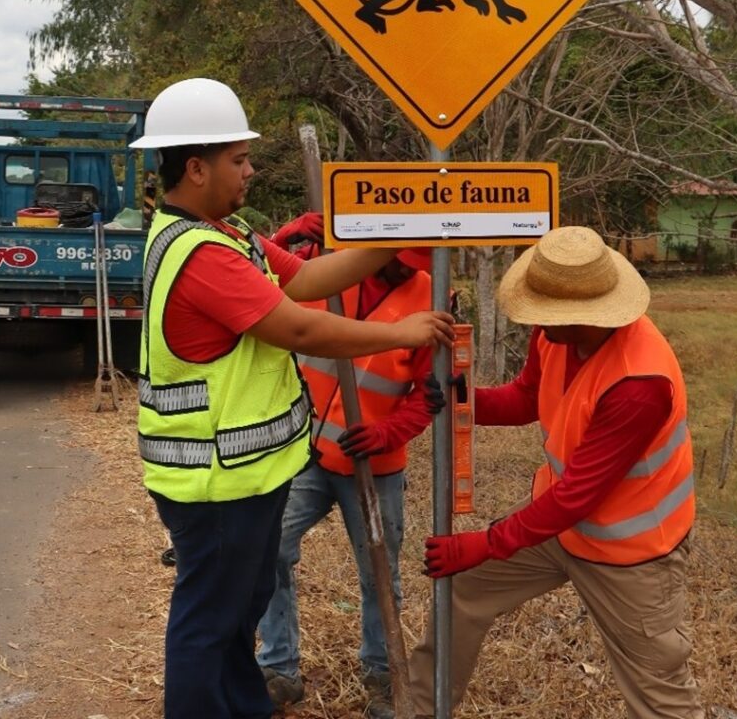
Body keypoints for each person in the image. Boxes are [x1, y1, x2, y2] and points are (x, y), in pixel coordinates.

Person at [129, 77, 455, 719]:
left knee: (236, 610)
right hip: (215, 482)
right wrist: (400, 331)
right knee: (208, 622)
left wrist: (403, 229)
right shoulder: (202, 255)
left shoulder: (227, 234)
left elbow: (306, 277)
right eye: (239, 159)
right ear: (195, 168)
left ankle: (244, 705)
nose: (251, 170)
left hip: (246, 475)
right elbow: (298, 325)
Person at [411, 225, 703, 719]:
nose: (538, 324)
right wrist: (464, 400)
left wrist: (484, 542)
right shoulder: (555, 337)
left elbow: (576, 496)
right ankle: (419, 709)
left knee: (659, 696)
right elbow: (527, 397)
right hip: (560, 531)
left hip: (632, 557)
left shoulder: (639, 383)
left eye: (547, 314)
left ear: (587, 313)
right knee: (461, 593)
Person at [256, 215, 445, 719]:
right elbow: (255, 278)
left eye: (409, 267)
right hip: (303, 456)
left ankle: (384, 678)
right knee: (269, 548)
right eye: (394, 264)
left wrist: (386, 433)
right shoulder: (325, 271)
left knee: (379, 574)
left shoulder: (434, 296)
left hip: (374, 465)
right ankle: (278, 668)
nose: (401, 273)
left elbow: (431, 396)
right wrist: (285, 237)